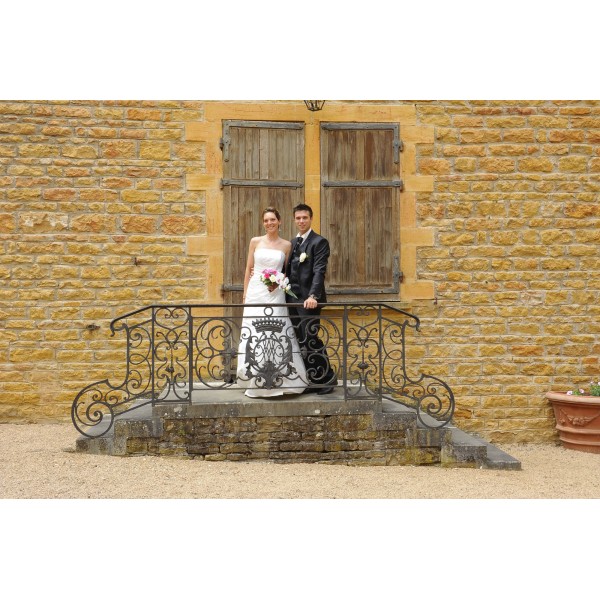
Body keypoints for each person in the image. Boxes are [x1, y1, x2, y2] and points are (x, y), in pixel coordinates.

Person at [236, 207, 308, 397]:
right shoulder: (255, 241)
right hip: (255, 292)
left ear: (279, 221)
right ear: (263, 223)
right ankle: (255, 378)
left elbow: (286, 272)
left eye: (273, 220)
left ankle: (280, 378)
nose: (270, 223)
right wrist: (245, 295)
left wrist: (278, 282)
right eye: (266, 220)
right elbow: (248, 269)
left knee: (277, 331)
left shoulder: (287, 245)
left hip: (275, 293)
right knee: (254, 332)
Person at [286, 203, 337, 395]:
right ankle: (312, 380)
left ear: (311, 219)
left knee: (311, 339)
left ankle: (328, 379)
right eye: (298, 218)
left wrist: (313, 295)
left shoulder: (319, 242)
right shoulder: (293, 243)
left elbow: (319, 271)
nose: (301, 221)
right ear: (294, 220)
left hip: (309, 300)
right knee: (299, 341)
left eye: (304, 218)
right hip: (292, 299)